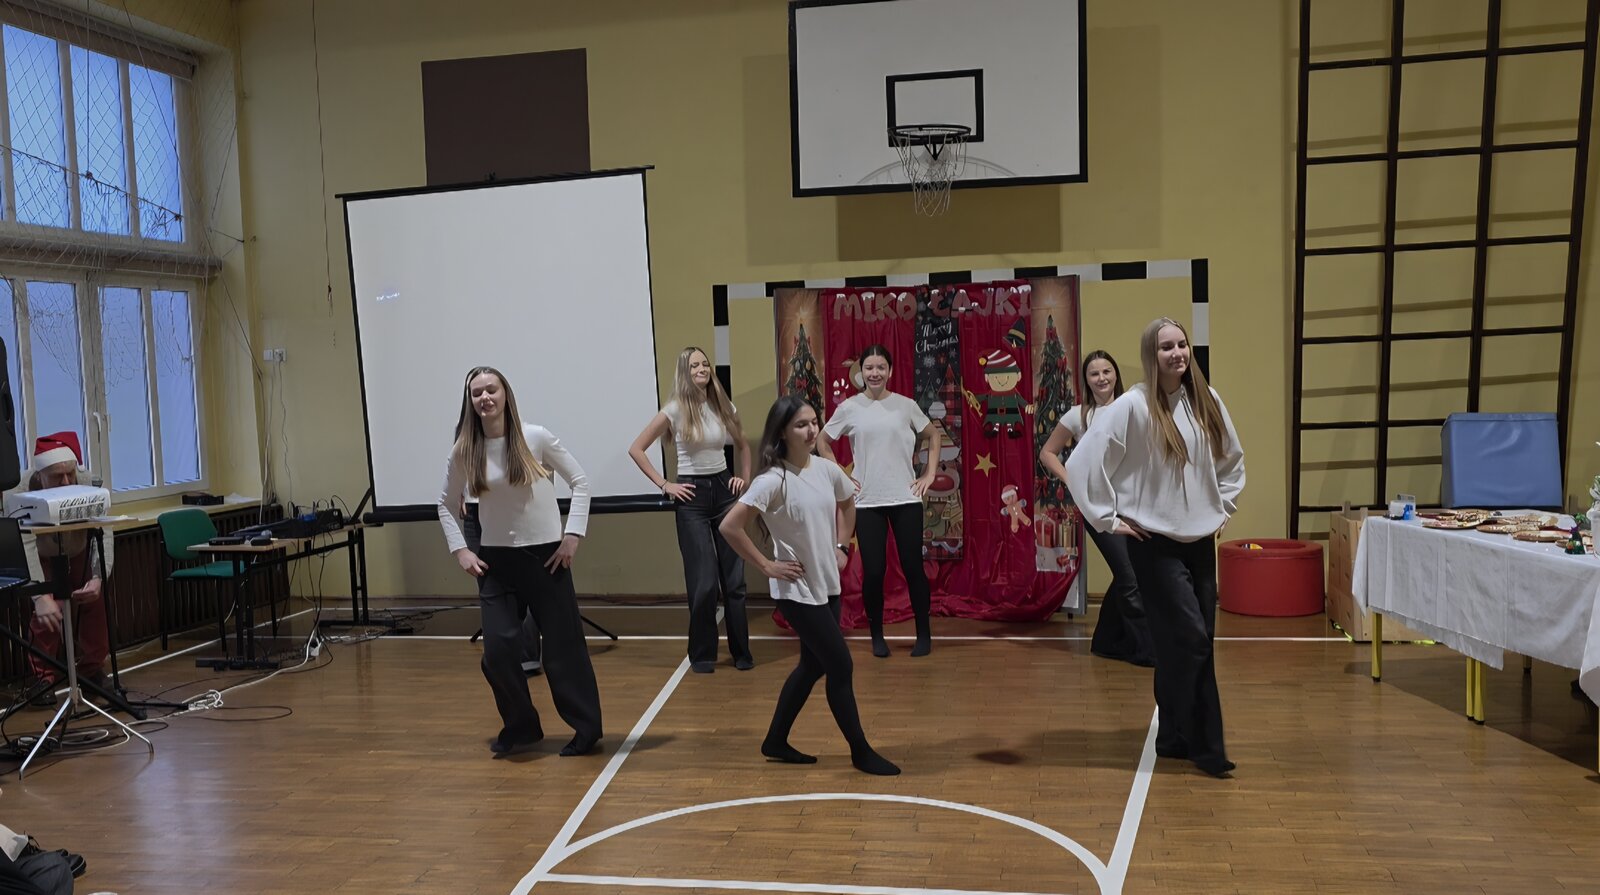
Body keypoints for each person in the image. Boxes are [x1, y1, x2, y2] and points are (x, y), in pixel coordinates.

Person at [1065, 318, 1245, 778]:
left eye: (1182, 344)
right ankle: (1208, 747)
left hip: (1200, 544)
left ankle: (1172, 737)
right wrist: (1109, 518)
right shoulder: (1132, 405)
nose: (1176, 353)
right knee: (1191, 638)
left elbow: (1231, 458)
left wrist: (1223, 505)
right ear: (1151, 354)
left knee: (1184, 642)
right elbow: (1084, 462)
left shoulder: (1207, 400)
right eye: (1166, 347)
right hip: (1154, 545)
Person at [719, 395, 900, 776]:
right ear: (783, 432)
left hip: (827, 586)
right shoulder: (772, 480)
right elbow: (730, 527)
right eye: (801, 424)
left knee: (811, 665)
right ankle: (860, 752)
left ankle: (775, 740)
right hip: (797, 591)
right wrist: (767, 565)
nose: (811, 430)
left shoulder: (827, 470)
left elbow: (847, 503)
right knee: (841, 666)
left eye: (814, 422)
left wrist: (842, 546)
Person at [438, 366, 602, 757]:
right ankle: (522, 727)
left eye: (491, 390)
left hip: (546, 558)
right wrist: (461, 550)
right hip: (496, 564)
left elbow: (581, 482)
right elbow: (444, 503)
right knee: (497, 652)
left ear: (505, 394)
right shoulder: (465, 449)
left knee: (563, 650)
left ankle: (586, 729)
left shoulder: (536, 437)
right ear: (470, 401)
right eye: (476, 393)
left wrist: (572, 536)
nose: (484, 398)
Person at [628, 346, 753, 673]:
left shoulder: (723, 405)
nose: (702, 369)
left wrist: (744, 478)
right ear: (685, 372)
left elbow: (743, 445)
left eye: (705, 364)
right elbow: (636, 448)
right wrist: (665, 484)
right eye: (694, 365)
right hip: (691, 497)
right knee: (704, 582)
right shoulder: (674, 409)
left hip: (724, 491)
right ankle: (703, 654)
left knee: (734, 582)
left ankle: (742, 652)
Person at [816, 345, 940, 658]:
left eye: (880, 367)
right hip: (867, 501)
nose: (875, 373)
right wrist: (840, 474)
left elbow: (933, 435)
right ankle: (877, 636)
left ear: (890, 371)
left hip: (905, 498)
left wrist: (929, 474)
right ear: (861, 372)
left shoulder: (906, 405)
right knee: (873, 572)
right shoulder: (850, 408)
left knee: (913, 568)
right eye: (869, 368)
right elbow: (822, 441)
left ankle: (923, 635)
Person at [1039, 350, 1155, 667]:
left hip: (1132, 504)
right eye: (1094, 373)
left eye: (1106, 371)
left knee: (1131, 571)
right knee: (1129, 576)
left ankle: (1106, 641)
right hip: (1098, 508)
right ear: (1086, 380)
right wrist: (1072, 480)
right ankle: (1147, 650)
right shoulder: (1078, 415)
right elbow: (1047, 452)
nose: (1102, 378)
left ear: (1115, 374)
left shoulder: (1133, 407)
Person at [17, 433, 112, 707]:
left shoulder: (87, 482)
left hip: (77, 547)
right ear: (40, 476)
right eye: (58, 477)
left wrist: (99, 576)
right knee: (47, 614)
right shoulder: (20, 490)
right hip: (42, 552)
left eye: (70, 474)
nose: (67, 482)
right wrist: (39, 596)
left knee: (94, 604)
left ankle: (92, 670)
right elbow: (23, 543)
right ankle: (42, 677)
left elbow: (104, 530)